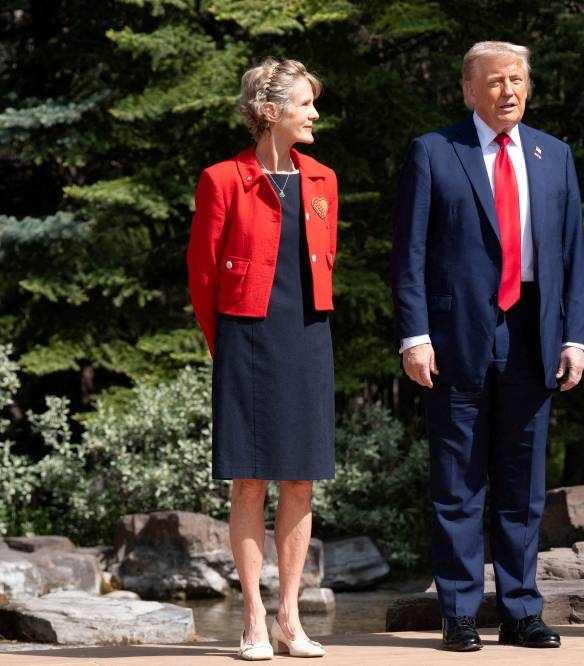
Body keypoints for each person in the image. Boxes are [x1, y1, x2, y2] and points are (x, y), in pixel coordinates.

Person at [390, 41, 584, 651]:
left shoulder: (553, 155)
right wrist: (414, 335)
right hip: (455, 336)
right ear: (468, 90)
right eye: (496, 81)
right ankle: (457, 611)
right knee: (457, 480)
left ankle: (522, 610)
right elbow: (410, 254)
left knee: (522, 483)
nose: (509, 91)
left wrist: (575, 336)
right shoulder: (434, 151)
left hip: (534, 331)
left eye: (518, 80)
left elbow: (572, 256)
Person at [187, 57, 337, 661]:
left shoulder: (324, 178)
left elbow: (323, 265)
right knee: (250, 482)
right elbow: (202, 275)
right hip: (244, 340)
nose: (314, 114)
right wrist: (223, 347)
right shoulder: (222, 178)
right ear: (270, 111)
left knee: (300, 480)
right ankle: (251, 616)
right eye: (305, 103)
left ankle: (289, 618)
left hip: (307, 339)